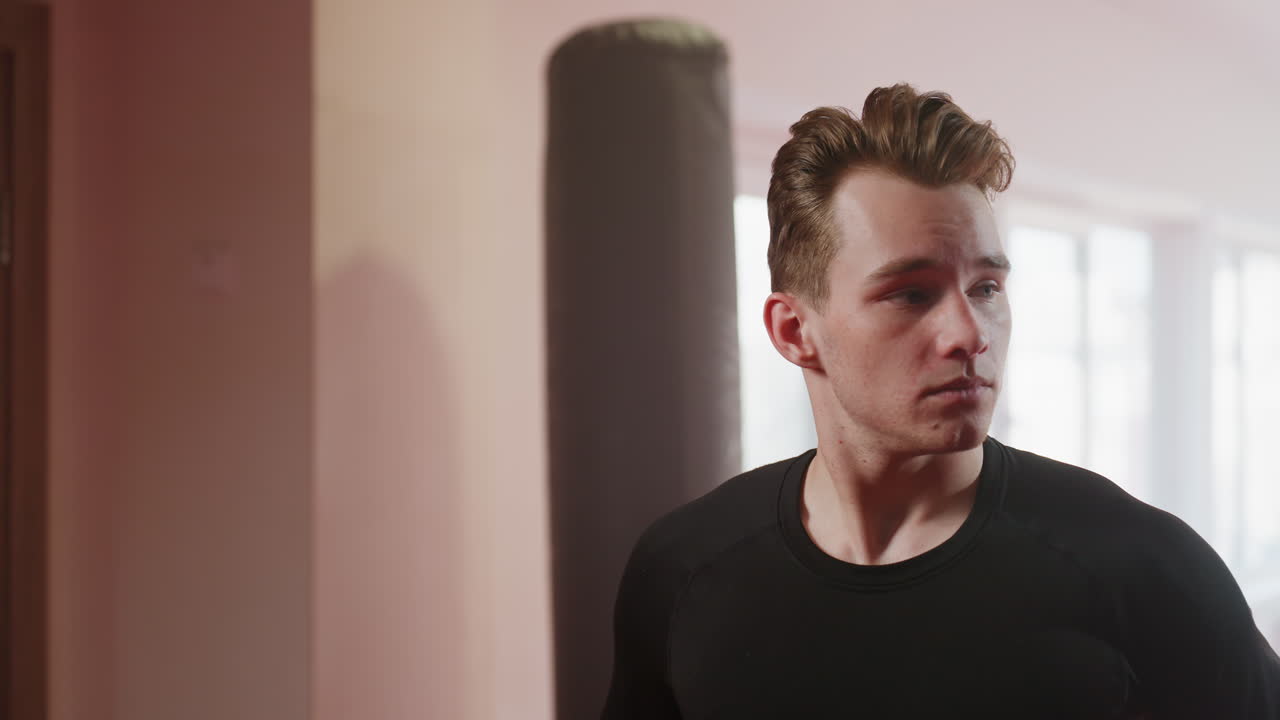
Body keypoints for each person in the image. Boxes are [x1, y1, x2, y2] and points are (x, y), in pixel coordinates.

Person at [601, 84, 1280, 719]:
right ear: (793, 331)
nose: (968, 334)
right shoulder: (683, 569)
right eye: (911, 293)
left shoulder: (1145, 568)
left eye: (986, 287)